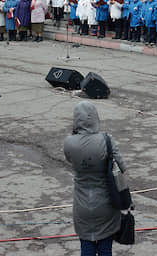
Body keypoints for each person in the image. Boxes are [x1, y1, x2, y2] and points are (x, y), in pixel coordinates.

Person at [64, 101, 127, 256]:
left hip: (82, 204)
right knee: (105, 249)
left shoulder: (69, 142)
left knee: (86, 247)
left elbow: (69, 159)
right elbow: (122, 167)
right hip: (106, 203)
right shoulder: (106, 140)